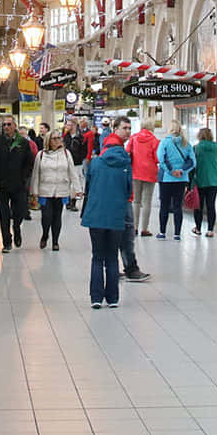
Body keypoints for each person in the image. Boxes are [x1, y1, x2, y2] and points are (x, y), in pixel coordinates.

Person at [81, 126, 133, 309]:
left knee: (97, 256)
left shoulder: (94, 163)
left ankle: (96, 297)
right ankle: (113, 298)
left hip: (95, 214)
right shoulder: (126, 164)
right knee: (112, 257)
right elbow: (129, 192)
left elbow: (88, 186)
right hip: (116, 215)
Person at [101, 132, 151, 284]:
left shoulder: (123, 147)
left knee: (121, 234)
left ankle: (117, 268)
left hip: (118, 198)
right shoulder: (118, 151)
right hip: (121, 199)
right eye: (124, 128)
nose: (127, 131)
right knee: (125, 235)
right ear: (115, 129)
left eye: (129, 128)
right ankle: (129, 268)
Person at [0, 117, 35, 252]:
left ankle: (17, 228)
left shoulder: (23, 143)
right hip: (2, 185)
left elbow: (28, 162)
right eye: (4, 125)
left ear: (15, 126)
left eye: (9, 124)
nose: (6, 127)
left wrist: (24, 178)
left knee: (19, 211)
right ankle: (7, 242)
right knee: (4, 215)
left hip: (18, 185)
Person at [32, 130, 81, 250]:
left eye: (59, 138)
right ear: (48, 140)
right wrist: (34, 191)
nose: (58, 140)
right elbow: (36, 173)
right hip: (45, 190)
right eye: (55, 138)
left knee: (57, 216)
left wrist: (77, 188)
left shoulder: (66, 153)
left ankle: (55, 242)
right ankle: (44, 235)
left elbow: (72, 171)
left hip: (61, 189)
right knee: (46, 216)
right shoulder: (41, 154)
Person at [156, 128, 196, 239]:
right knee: (178, 206)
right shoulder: (186, 144)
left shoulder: (164, 142)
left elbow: (161, 158)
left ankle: (162, 232)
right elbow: (192, 161)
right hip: (181, 179)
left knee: (164, 206)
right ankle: (177, 234)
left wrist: (171, 171)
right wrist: (182, 171)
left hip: (166, 179)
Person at [123, 118, 159, 235]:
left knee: (136, 201)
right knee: (147, 201)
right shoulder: (154, 140)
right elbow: (157, 158)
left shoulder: (133, 138)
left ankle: (134, 228)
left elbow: (127, 150)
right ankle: (145, 229)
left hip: (135, 172)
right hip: (150, 173)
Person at [190, 127, 217, 236]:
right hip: (214, 180)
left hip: (200, 180)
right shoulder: (216, 147)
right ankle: (210, 230)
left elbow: (193, 165)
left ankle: (198, 228)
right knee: (211, 205)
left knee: (198, 205)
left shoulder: (196, 148)